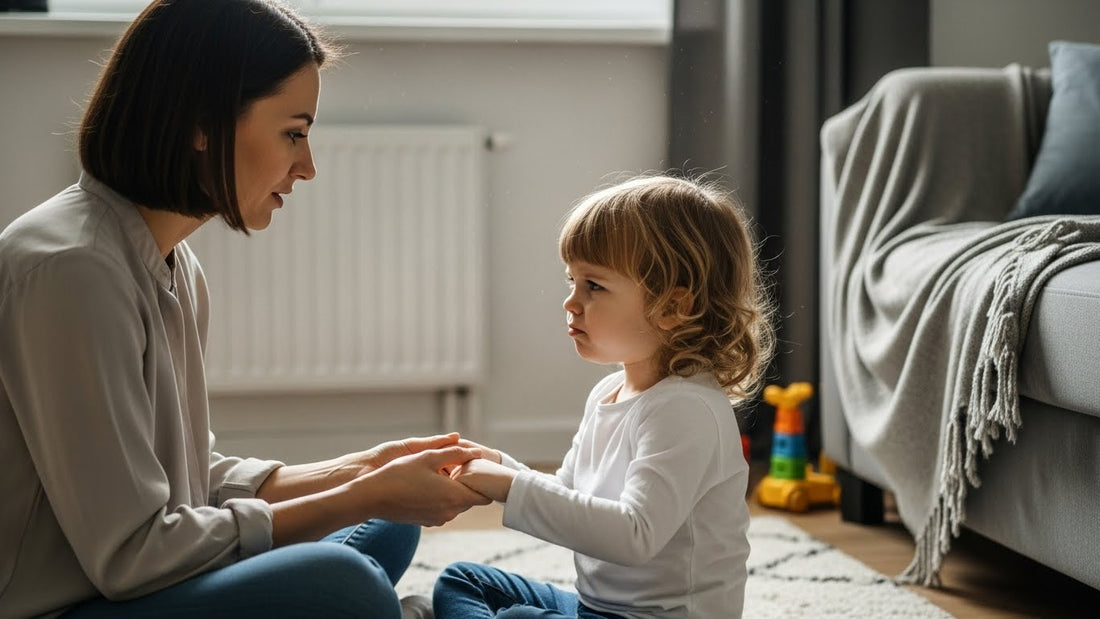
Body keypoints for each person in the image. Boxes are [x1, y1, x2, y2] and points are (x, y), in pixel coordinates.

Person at [0, 2, 489, 617]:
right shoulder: (71, 268)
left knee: (389, 526)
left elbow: (193, 479)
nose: (307, 167)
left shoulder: (168, 261)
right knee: (344, 578)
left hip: (137, 574)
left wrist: (365, 470)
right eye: (294, 133)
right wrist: (358, 494)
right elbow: (132, 555)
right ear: (202, 123)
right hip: (70, 602)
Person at [433, 175, 775, 618]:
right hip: (598, 608)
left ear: (673, 308)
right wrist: (503, 469)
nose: (570, 303)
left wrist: (511, 487)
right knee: (463, 580)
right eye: (571, 281)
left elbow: (635, 536)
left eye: (594, 286)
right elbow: (571, 496)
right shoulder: (608, 392)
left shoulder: (685, 409)